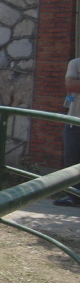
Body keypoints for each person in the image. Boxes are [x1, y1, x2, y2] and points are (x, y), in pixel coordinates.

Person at [56, 56, 80, 206]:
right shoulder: (76, 63)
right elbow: (70, 85)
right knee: (72, 160)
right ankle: (74, 196)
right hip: (74, 121)